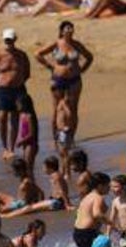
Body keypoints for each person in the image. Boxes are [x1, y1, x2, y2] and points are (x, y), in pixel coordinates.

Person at [35, 21, 92, 155]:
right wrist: (50, 67)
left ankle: (71, 137)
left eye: (71, 28)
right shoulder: (56, 43)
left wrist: (82, 69)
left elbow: (89, 57)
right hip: (58, 79)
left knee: (73, 109)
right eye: (67, 28)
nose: (70, 30)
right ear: (61, 31)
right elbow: (38, 54)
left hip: (74, 80)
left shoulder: (76, 44)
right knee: (57, 109)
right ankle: (56, 138)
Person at [0, 28, 31, 157]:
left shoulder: (22, 55)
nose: (8, 42)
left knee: (15, 118)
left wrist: (17, 81)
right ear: (4, 40)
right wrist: (3, 82)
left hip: (18, 89)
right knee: (2, 117)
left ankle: (12, 147)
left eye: (10, 40)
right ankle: (4, 147)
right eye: (6, 40)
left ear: (14, 40)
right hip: (3, 89)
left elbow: (27, 73)